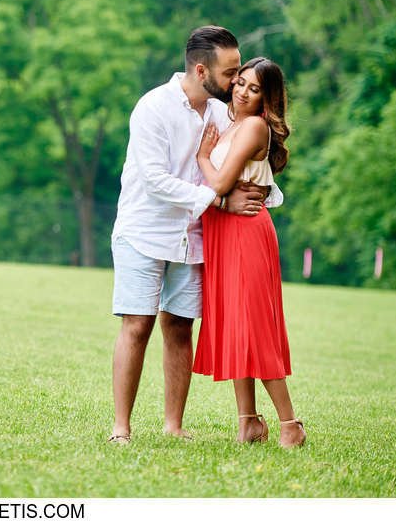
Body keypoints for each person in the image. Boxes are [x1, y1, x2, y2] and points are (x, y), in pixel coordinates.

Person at [108, 26, 282, 444]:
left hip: (193, 237)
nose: (237, 82)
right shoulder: (153, 108)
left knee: (180, 327)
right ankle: (121, 428)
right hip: (144, 230)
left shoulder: (224, 113)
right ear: (202, 70)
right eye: (231, 73)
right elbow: (155, 181)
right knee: (137, 326)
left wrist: (263, 193)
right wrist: (220, 202)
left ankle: (173, 425)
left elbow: (246, 161)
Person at [192, 56, 306, 448]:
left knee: (255, 328)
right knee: (235, 329)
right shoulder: (234, 124)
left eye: (253, 88)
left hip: (245, 232)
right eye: (239, 82)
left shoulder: (254, 126)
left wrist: (203, 158)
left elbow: (221, 183)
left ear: (266, 98)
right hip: (223, 233)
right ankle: (249, 422)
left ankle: (290, 424)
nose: (241, 91)